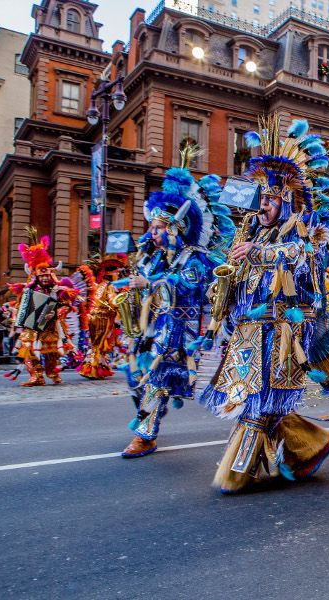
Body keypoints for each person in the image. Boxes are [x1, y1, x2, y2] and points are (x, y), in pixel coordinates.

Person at [198, 119, 329, 493]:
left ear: (286, 199)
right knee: (250, 398)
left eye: (271, 199)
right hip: (249, 328)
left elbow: (306, 257)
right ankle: (308, 447)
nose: (263, 205)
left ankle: (237, 472)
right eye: (261, 198)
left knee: (261, 402)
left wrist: (259, 251)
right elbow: (236, 276)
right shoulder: (252, 231)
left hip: (283, 331)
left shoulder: (306, 232)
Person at [121, 168, 230, 458]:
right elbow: (143, 285)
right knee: (136, 378)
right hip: (152, 330)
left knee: (156, 381)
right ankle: (148, 420)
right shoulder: (156, 258)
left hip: (180, 334)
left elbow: (188, 288)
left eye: (157, 228)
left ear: (175, 229)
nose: (151, 233)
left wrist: (152, 284)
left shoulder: (195, 259)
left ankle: (145, 435)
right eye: (152, 227)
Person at [7, 229, 78, 386]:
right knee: (28, 351)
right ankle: (36, 376)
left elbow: (66, 304)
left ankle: (52, 372)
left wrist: (58, 312)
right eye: (42, 276)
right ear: (37, 277)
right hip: (32, 329)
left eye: (47, 275)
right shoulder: (28, 291)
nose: (45, 278)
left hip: (52, 327)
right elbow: (20, 308)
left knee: (53, 353)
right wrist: (16, 320)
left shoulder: (58, 290)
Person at [78, 255, 128, 379]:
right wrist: (125, 296)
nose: (118, 274)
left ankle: (99, 368)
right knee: (99, 345)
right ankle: (91, 369)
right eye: (116, 272)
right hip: (102, 318)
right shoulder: (110, 286)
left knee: (96, 344)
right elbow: (113, 302)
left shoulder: (100, 285)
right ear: (110, 273)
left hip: (93, 317)